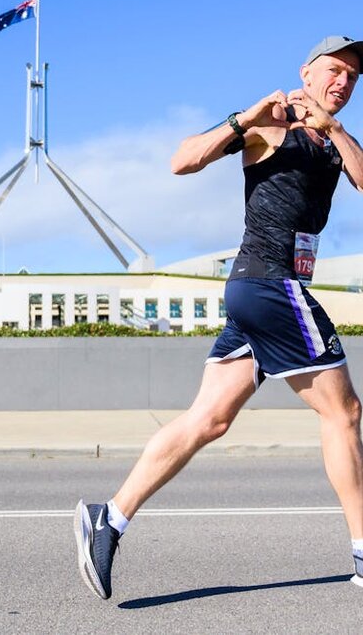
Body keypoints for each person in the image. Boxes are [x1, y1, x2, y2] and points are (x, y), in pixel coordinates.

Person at [74, 34, 363, 599]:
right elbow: (182, 160)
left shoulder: (334, 141)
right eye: (334, 71)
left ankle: (108, 519)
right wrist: (244, 117)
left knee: (209, 419)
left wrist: (333, 130)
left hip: (260, 296)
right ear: (306, 73)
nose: (343, 83)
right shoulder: (270, 126)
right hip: (270, 284)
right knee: (345, 412)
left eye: (352, 78)